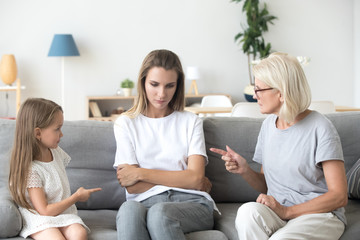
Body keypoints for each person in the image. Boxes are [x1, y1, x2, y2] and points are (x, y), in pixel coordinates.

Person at [210, 52, 348, 240]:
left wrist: (288, 211)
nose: (255, 95)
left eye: (259, 89)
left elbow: (339, 196)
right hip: (278, 211)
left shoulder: (320, 127)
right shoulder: (268, 126)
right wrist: (245, 170)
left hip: (318, 215)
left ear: (281, 93)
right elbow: (266, 184)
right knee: (247, 212)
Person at [114, 49, 215, 240]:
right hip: (142, 202)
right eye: (154, 84)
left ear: (178, 86)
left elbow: (195, 179)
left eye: (170, 85)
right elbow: (132, 187)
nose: (161, 94)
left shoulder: (191, 121)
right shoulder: (126, 123)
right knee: (128, 210)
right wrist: (183, 178)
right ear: (143, 82)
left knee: (160, 214)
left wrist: (140, 173)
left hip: (191, 203)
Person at [8, 98, 102, 240]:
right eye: (57, 129)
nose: (61, 134)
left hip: (63, 213)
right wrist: (76, 197)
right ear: (38, 133)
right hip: (41, 217)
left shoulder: (56, 152)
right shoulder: (31, 170)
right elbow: (44, 210)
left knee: (79, 233)